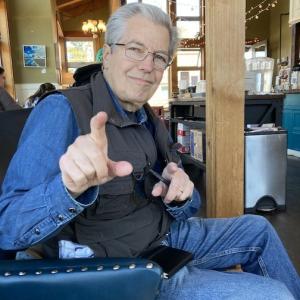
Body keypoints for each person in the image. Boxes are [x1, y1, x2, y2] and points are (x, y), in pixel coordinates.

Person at [0, 3, 299, 299]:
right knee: (275, 295)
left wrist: (181, 193)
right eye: (134, 49)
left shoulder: (149, 118)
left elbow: (188, 203)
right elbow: (8, 228)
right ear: (108, 54)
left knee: (257, 228)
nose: (147, 65)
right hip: (119, 269)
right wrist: (67, 188)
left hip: (164, 238)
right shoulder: (61, 110)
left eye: (159, 57)